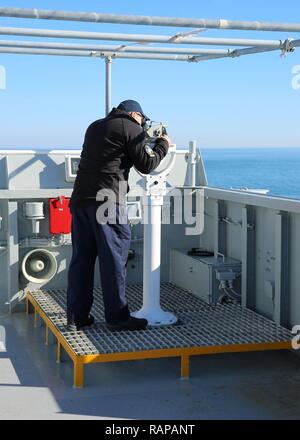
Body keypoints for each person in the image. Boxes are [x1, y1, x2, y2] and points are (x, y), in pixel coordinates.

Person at [67, 100, 171, 331]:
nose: (143, 124)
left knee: (81, 262)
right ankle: (117, 318)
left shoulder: (94, 126)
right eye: (142, 120)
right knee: (113, 261)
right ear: (134, 114)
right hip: (107, 202)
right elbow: (146, 164)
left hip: (81, 201)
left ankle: (77, 317)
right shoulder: (129, 126)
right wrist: (163, 144)